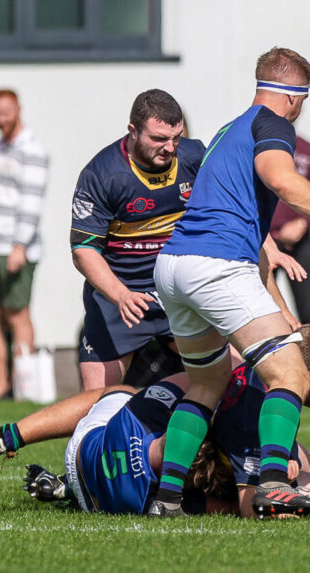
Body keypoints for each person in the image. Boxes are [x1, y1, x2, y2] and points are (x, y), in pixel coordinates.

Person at [150, 46, 310, 518]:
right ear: (292, 96)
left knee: (207, 383)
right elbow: (282, 180)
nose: (301, 109)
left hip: (173, 267)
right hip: (216, 266)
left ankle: (167, 498)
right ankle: (274, 482)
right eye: (304, 99)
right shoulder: (274, 125)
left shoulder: (227, 130)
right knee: (288, 373)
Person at [0, 324, 310, 517]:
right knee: (292, 474)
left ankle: (11, 436)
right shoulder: (255, 413)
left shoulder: (238, 362)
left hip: (87, 454)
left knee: (122, 395)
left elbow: (171, 395)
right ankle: (169, 501)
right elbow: (253, 507)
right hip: (119, 500)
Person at [69, 89, 205, 390]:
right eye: (159, 139)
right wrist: (121, 296)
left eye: (176, 137)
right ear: (133, 131)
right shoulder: (102, 174)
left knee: (230, 378)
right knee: (96, 402)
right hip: (120, 297)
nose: (170, 147)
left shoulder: (194, 156)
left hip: (177, 291)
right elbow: (83, 250)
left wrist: (268, 245)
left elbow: (231, 207)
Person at [0, 89, 49, 400]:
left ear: (18, 108)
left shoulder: (32, 149)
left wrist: (19, 245)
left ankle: (25, 387)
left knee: (17, 315)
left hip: (14, 247)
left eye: (5, 112)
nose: (0, 119)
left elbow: (31, 202)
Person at [269, 133, 310, 324]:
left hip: (299, 243)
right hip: (264, 243)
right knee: (264, 310)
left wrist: (303, 222)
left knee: (306, 310)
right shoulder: (256, 150)